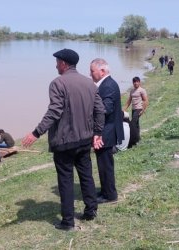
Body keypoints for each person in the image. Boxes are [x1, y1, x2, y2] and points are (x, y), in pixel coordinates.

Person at [22, 48, 105, 231]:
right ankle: (91, 211)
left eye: (57, 61)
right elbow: (100, 110)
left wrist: (36, 133)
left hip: (64, 142)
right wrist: (97, 132)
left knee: (66, 180)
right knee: (86, 176)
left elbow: (55, 111)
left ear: (64, 64)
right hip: (84, 140)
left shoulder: (57, 83)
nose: (55, 65)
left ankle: (68, 221)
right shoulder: (90, 83)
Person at [90, 58, 124, 204]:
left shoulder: (108, 85)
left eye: (92, 71)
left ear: (102, 71)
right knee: (103, 164)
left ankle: (110, 195)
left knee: (105, 165)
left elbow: (106, 108)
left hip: (106, 132)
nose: (90, 74)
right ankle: (105, 190)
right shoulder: (106, 84)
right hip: (106, 131)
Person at [123, 76, 149, 145]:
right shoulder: (132, 91)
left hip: (139, 109)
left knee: (132, 123)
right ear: (133, 83)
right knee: (136, 124)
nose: (135, 83)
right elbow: (129, 101)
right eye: (134, 82)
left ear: (139, 82)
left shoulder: (142, 90)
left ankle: (132, 140)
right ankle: (137, 139)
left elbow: (146, 101)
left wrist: (143, 110)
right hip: (133, 109)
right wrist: (123, 110)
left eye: (137, 82)